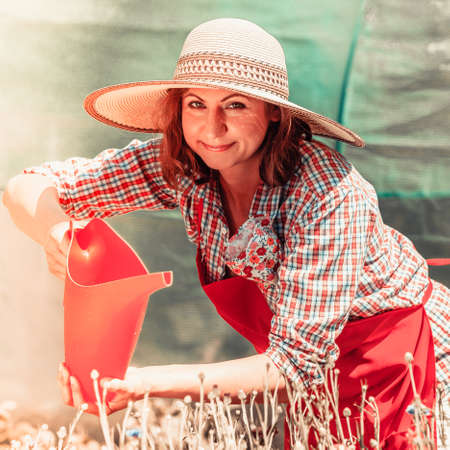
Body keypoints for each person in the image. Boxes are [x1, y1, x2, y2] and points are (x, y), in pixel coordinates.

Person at [3, 18, 449, 448]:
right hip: (324, 390)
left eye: (235, 105)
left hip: (412, 371)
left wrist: (141, 383)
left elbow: (294, 366)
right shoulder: (184, 168)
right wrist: (57, 234)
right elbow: (25, 186)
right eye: (196, 103)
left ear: (274, 113)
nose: (211, 127)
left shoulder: (326, 193)